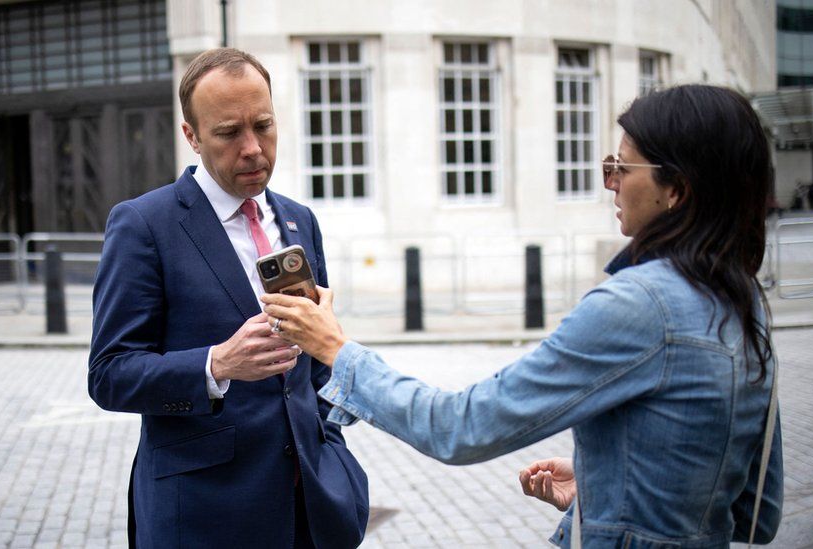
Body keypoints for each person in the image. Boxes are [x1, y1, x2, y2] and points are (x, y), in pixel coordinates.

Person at [261, 84, 783, 548]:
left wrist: (336, 351)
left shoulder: (639, 305)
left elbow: (461, 426)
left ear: (677, 189)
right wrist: (607, 485)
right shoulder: (744, 300)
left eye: (622, 168)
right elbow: (758, 513)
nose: (611, 183)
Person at [88, 48, 368, 549]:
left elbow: (317, 366)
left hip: (310, 506)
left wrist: (333, 453)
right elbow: (110, 375)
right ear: (191, 136)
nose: (253, 148)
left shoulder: (300, 219)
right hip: (204, 514)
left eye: (263, 125)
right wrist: (217, 365)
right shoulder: (144, 225)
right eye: (228, 133)